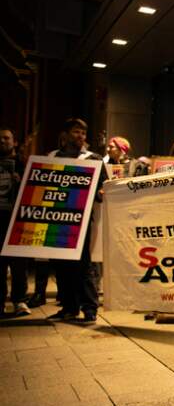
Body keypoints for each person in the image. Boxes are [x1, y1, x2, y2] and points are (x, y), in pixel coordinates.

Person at [47, 118, 105, 323]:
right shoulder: (52, 157)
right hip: (56, 218)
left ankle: (90, 308)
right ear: (65, 135)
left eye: (83, 133)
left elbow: (103, 188)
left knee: (83, 264)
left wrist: (101, 192)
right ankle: (69, 307)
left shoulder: (94, 159)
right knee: (61, 264)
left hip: (81, 220)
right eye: (76, 132)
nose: (80, 136)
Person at [0, 127, 29, 316]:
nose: (2, 141)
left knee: (19, 263)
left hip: (17, 218)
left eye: (6, 138)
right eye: (0, 138)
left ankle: (19, 301)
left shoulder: (24, 164)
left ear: (14, 142)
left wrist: (22, 182)